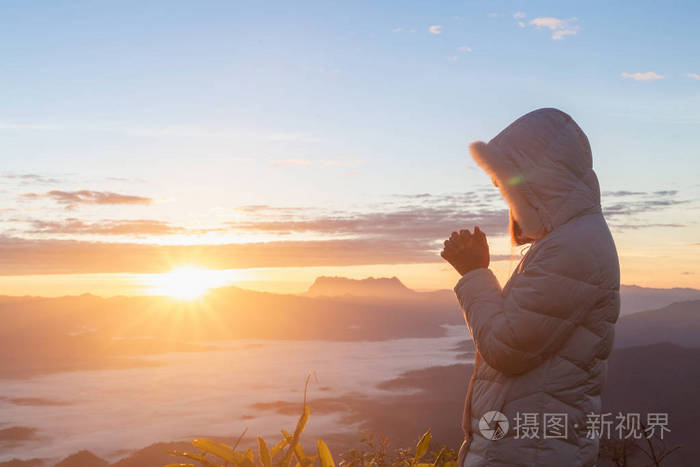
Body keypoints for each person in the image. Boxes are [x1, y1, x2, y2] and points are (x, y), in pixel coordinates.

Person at [440, 108, 620, 467]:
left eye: (508, 186)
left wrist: (474, 273)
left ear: (541, 183)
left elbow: (508, 348)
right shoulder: (566, 241)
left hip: (533, 451)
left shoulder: (575, 247)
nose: (506, 197)